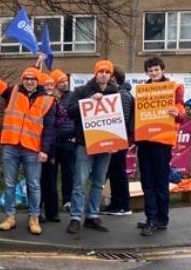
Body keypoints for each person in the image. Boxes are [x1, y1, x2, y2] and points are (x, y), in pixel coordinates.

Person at [0, 56, 55, 236]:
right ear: (22, 80)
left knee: (34, 185)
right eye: (26, 79)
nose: (29, 82)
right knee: (9, 184)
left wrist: (45, 150)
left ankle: (34, 217)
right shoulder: (12, 92)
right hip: (11, 145)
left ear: (38, 81)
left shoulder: (48, 100)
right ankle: (10, 217)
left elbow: (49, 129)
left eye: (33, 79)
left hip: (32, 149)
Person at [64, 60, 125, 234]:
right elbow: (70, 112)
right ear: (95, 73)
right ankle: (76, 217)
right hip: (85, 144)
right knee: (80, 182)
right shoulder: (82, 91)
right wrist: (89, 101)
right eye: (101, 71)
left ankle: (91, 216)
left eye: (107, 72)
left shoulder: (115, 93)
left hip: (107, 146)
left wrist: (117, 141)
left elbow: (121, 120)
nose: (104, 74)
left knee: (98, 183)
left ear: (111, 75)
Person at [137, 56, 186, 237]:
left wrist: (177, 113)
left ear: (162, 70)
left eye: (156, 69)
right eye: (150, 70)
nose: (154, 73)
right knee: (147, 182)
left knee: (160, 182)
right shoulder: (143, 89)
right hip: (145, 141)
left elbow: (181, 110)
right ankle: (151, 218)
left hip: (162, 142)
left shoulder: (174, 87)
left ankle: (161, 219)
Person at [41, 69, 75, 223]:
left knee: (68, 172)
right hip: (52, 143)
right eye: (61, 81)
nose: (65, 83)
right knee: (49, 176)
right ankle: (47, 207)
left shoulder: (73, 96)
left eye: (65, 80)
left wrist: (76, 135)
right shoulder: (48, 98)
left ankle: (67, 200)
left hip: (68, 141)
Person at [103, 66, 133, 216]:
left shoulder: (122, 95)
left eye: (108, 75)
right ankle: (116, 203)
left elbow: (122, 119)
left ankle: (123, 205)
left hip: (119, 139)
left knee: (118, 171)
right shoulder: (118, 94)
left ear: (114, 78)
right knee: (114, 171)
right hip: (115, 139)